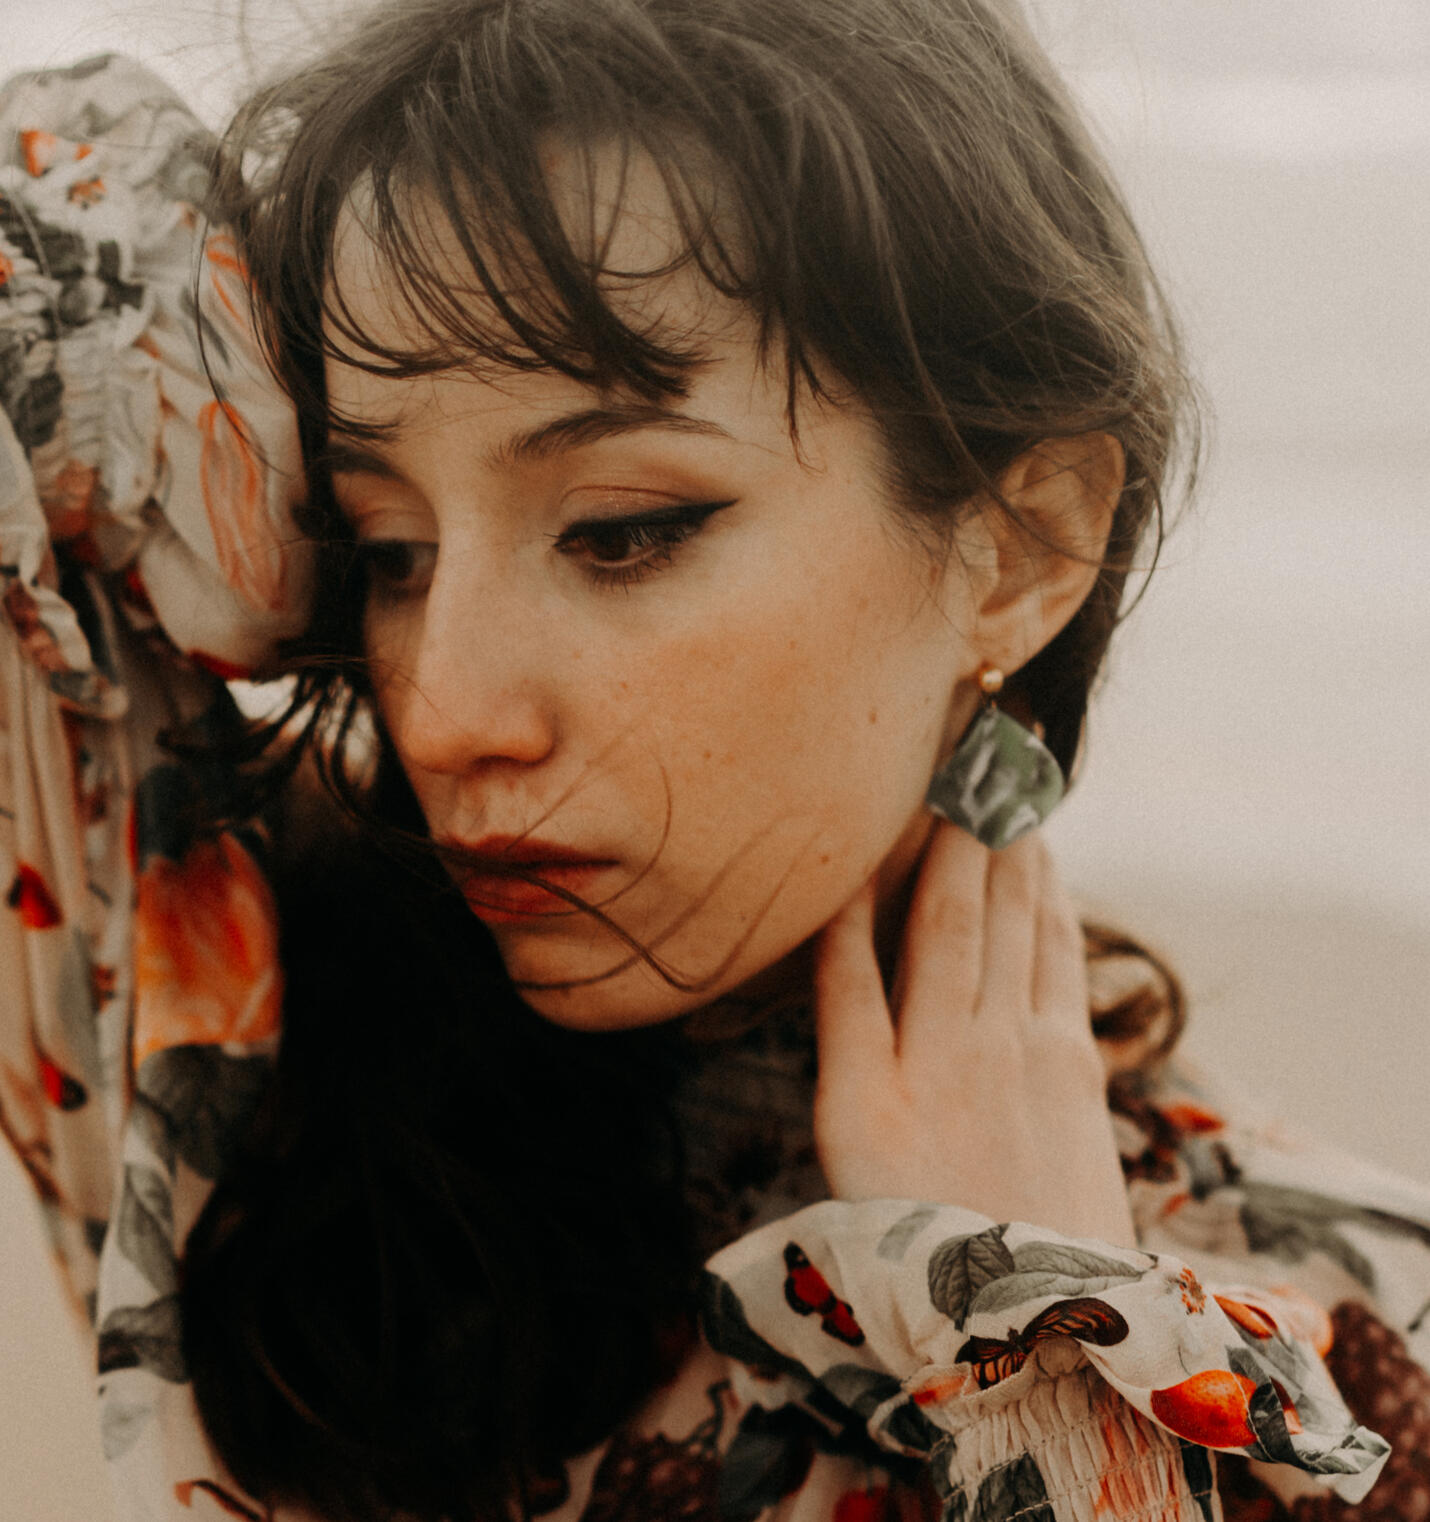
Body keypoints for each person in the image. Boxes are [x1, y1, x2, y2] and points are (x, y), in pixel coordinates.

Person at [1, 4, 1428, 1520]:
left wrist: (1045, 1342)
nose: (442, 708)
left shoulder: (1352, 1339)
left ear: (1022, 545)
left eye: (623, 529)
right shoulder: (231, 1058)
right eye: (386, 549)